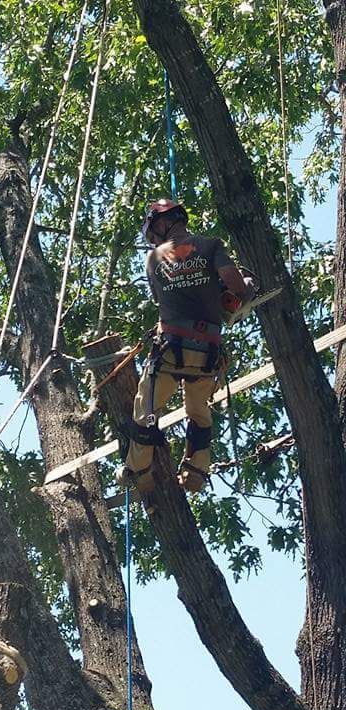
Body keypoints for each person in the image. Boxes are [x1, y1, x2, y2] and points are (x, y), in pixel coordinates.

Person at [117, 199, 255, 494]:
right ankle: (196, 471)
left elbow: (165, 299)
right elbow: (237, 287)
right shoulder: (210, 245)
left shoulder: (153, 259)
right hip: (206, 354)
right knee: (198, 411)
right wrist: (240, 289)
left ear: (162, 223)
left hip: (170, 349)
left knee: (147, 412)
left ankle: (139, 473)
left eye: (153, 231)